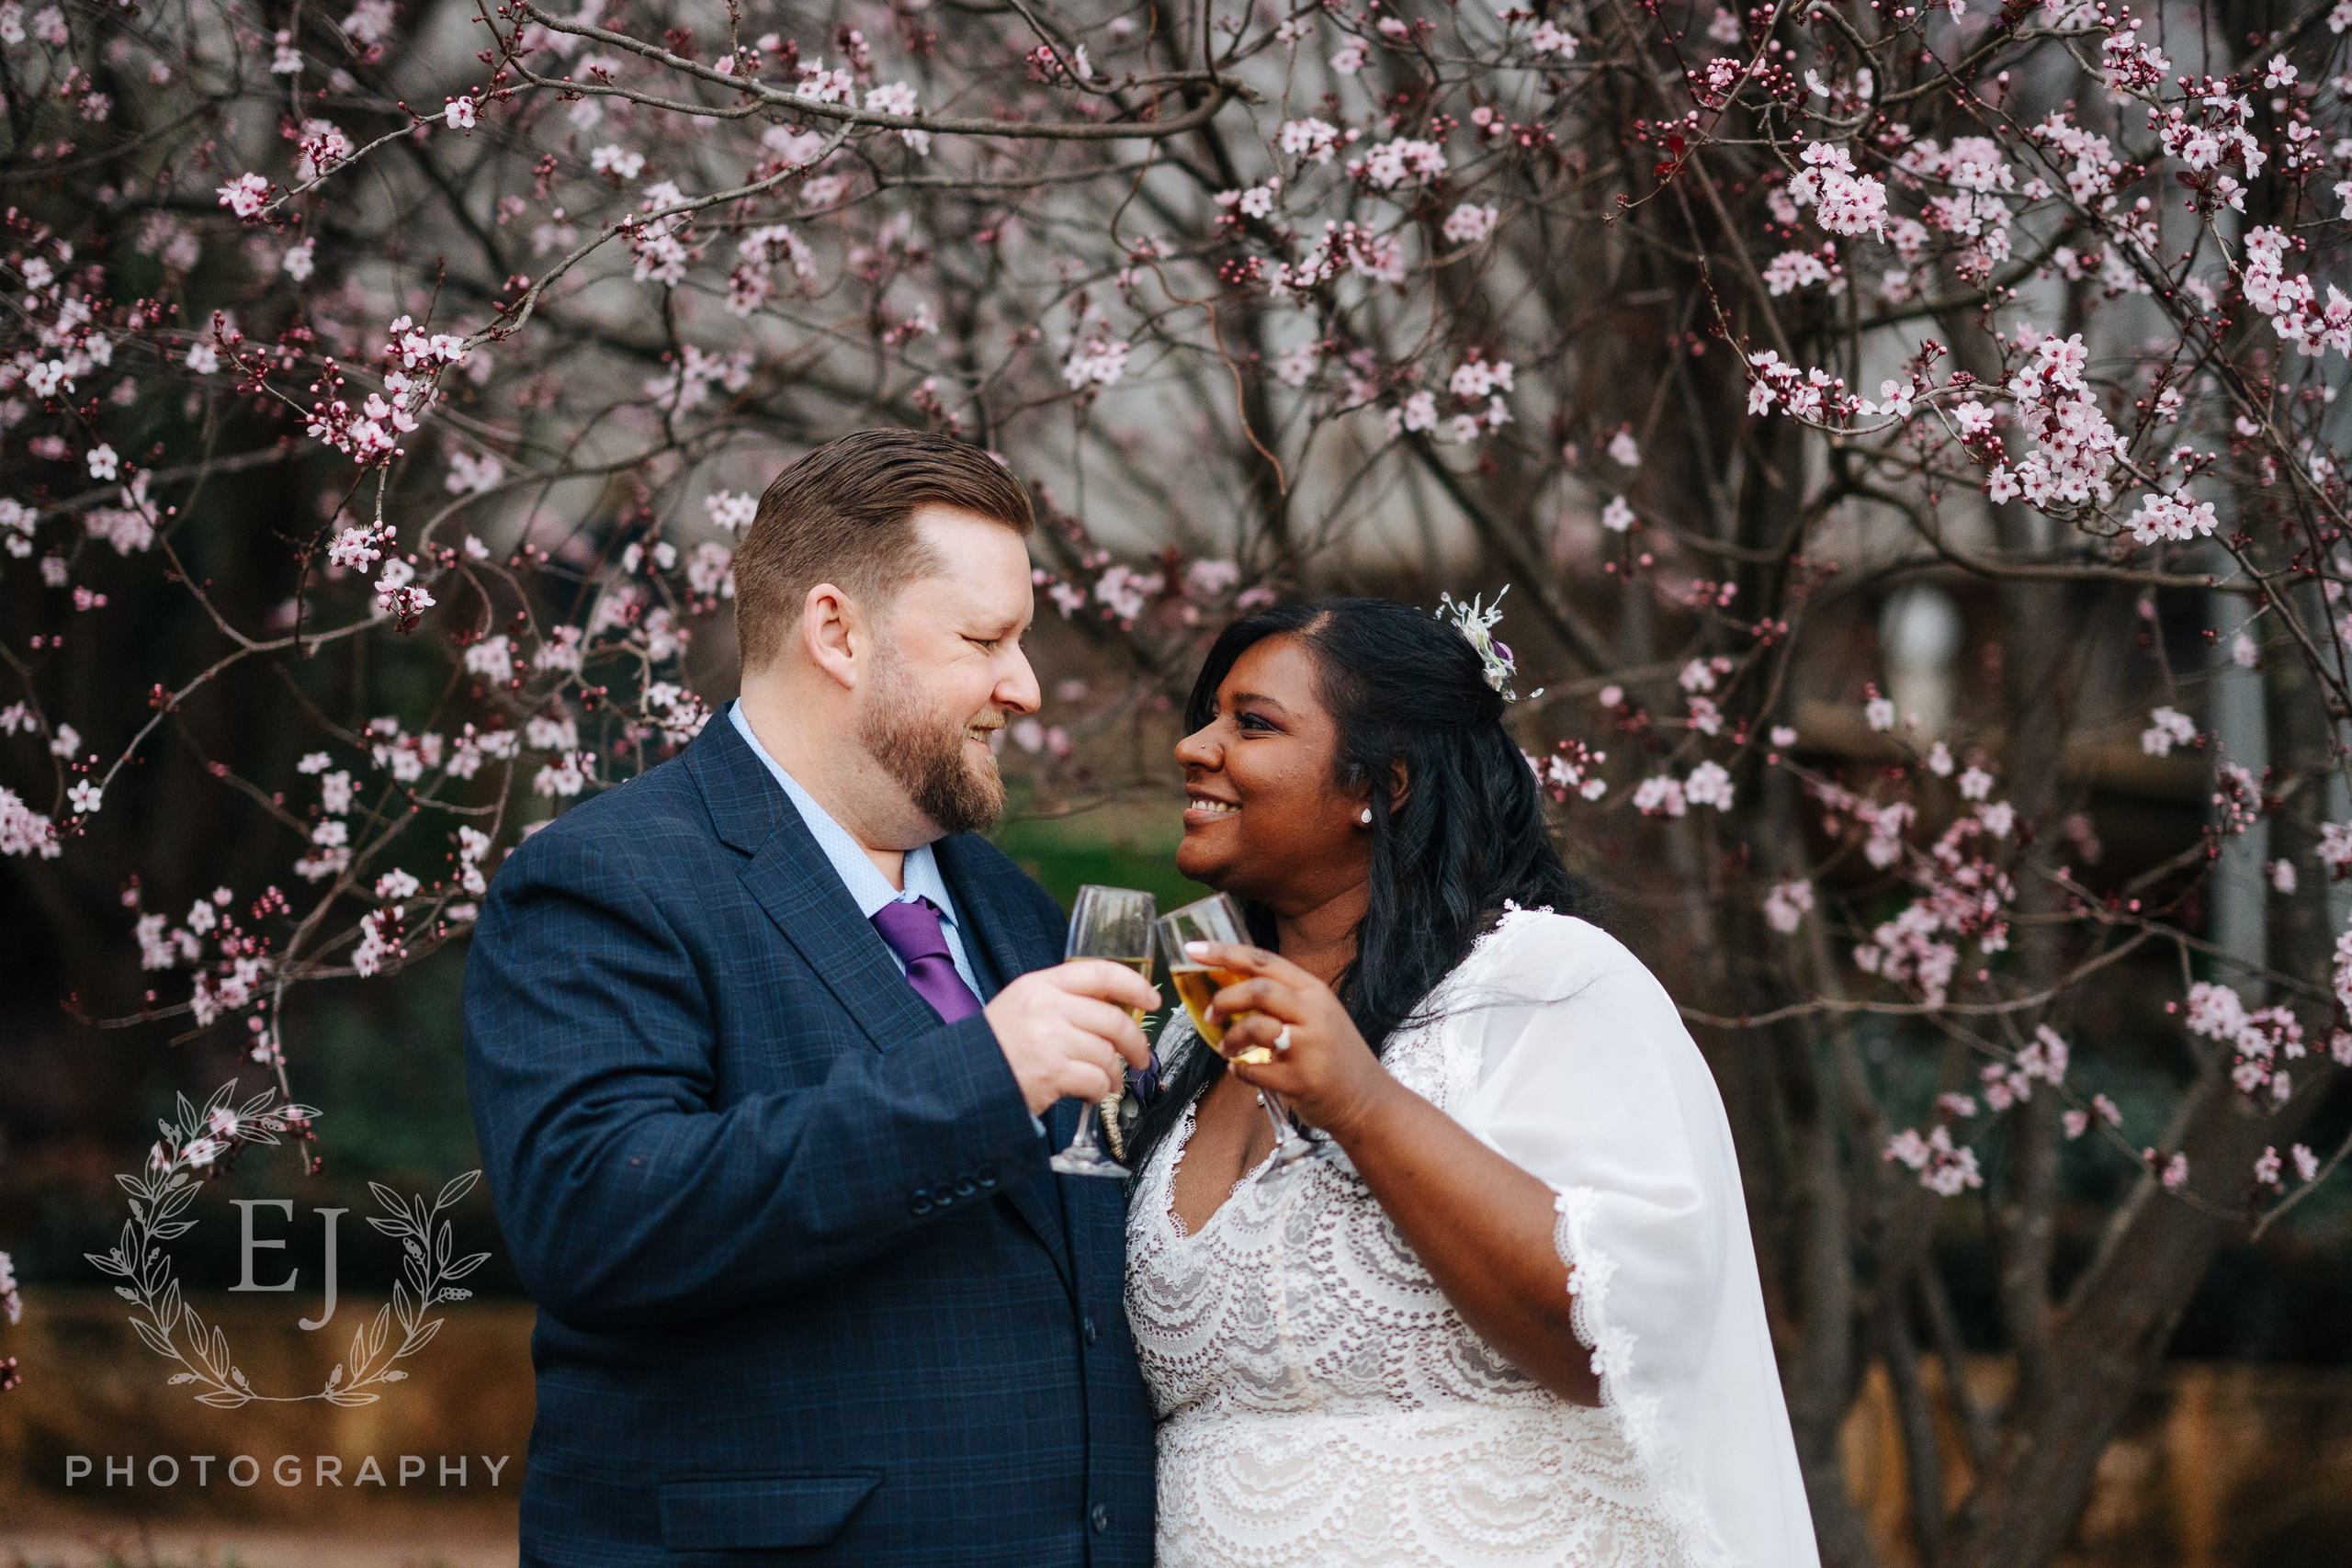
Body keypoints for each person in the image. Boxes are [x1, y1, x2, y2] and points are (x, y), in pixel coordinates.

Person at [463, 430, 1160, 1567]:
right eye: (986, 640)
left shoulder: (1017, 912)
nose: (1024, 689)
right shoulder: (609, 879)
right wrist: (983, 1076)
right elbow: (595, 1219)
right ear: (836, 630)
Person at [1125, 597, 1821, 1568]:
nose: (1195, 747)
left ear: (1385, 783)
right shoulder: (1185, 1046)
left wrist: (1361, 1104)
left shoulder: (1545, 986)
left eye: (1251, 723)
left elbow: (1610, 1336)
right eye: (1207, 716)